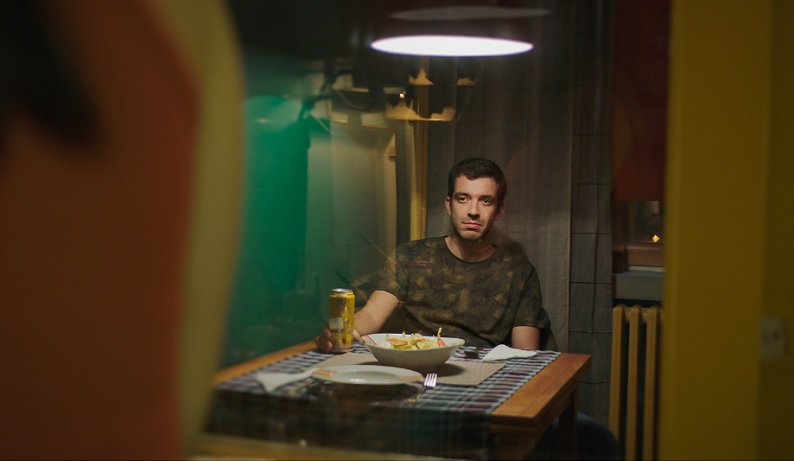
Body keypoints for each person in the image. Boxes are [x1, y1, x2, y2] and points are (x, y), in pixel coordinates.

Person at [316, 156, 553, 352]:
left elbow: (525, 355)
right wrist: (345, 329)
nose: (473, 211)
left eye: (485, 201)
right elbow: (371, 314)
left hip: (481, 371)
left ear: (499, 211)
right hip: (415, 366)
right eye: (463, 199)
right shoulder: (411, 255)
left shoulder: (519, 272)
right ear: (449, 205)